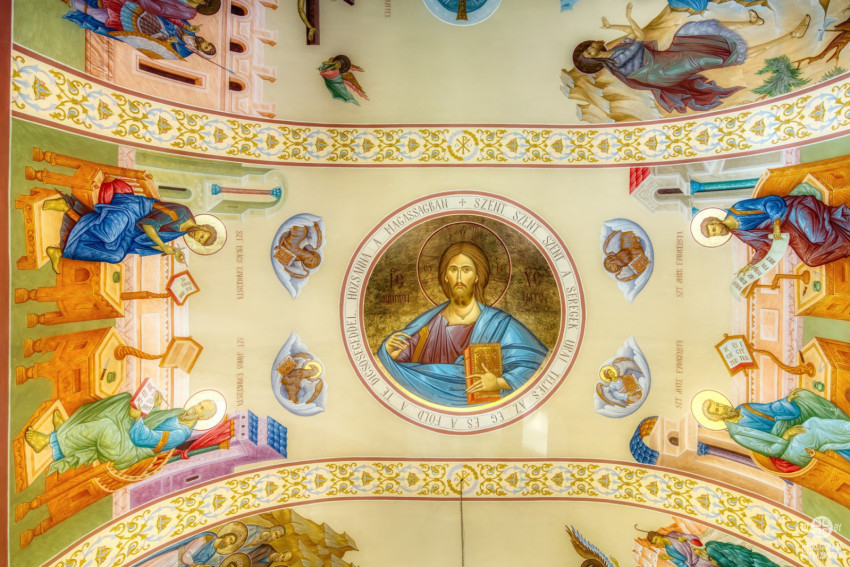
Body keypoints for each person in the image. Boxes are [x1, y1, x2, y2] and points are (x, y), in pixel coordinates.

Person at [378, 241, 548, 407]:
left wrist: (499, 382)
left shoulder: (499, 324)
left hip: (483, 409)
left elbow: (535, 363)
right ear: (445, 276)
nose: (459, 277)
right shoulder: (426, 326)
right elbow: (398, 369)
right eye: (453, 269)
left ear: (477, 276)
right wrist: (389, 354)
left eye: (466, 270)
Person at [571, 2, 810, 113]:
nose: (591, 50)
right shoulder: (614, 62)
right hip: (662, 71)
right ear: (592, 61)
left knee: (694, 31)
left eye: (588, 48)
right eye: (588, 54)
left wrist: (614, 24)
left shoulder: (614, 49)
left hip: (662, 61)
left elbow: (634, 34)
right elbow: (639, 38)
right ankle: (791, 36)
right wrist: (629, 19)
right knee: (717, 57)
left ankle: (750, 23)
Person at [42, 179, 217, 273]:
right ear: (203, 226)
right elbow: (149, 226)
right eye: (201, 235)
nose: (196, 237)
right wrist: (164, 246)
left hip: (132, 231)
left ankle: (61, 252)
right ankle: (69, 207)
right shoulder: (181, 213)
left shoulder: (180, 233)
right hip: (131, 211)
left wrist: (170, 250)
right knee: (109, 235)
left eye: (199, 241)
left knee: (116, 255)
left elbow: (146, 241)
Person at [23, 392, 217, 474]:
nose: (195, 408)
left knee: (106, 425)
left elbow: (146, 438)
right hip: (131, 435)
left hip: (129, 449)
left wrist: (136, 419)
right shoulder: (179, 412)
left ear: (203, 417)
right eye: (199, 404)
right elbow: (155, 420)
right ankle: (67, 429)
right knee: (123, 400)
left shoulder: (181, 434)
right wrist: (155, 404)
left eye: (201, 409)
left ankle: (49, 441)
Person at [698, 194, 850, 268]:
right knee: (811, 259)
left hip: (793, 211)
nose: (717, 233)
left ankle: (844, 236)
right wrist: (751, 265)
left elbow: (771, 202)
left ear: (716, 220)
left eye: (714, 229)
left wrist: (776, 223)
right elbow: (762, 246)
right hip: (790, 232)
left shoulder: (738, 209)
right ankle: (846, 247)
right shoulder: (739, 233)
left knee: (818, 237)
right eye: (714, 235)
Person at [63, 0, 217, 59]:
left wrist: (168, 40)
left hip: (139, 29)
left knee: (103, 15)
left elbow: (157, 48)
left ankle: (73, 2)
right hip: (146, 14)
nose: (205, 43)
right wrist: (186, 26)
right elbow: (172, 18)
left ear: (200, 51)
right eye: (208, 44)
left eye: (205, 47)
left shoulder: (184, 52)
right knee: (110, 2)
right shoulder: (191, 32)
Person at [702, 388, 850, 437]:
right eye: (718, 409)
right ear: (717, 418)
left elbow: (769, 408)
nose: (722, 407)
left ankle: (844, 420)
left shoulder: (743, 407)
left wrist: (786, 401)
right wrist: (785, 435)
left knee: (802, 395)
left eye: (719, 404)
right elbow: (765, 443)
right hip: (781, 434)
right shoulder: (737, 432)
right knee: (812, 423)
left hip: (784, 420)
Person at [647, 530, 781, 567]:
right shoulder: (669, 550)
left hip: (700, 554)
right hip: (695, 564)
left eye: (656, 539)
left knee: (716, 554)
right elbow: (682, 563)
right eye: (655, 543)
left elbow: (693, 538)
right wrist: (671, 559)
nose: (657, 542)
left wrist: (685, 538)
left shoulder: (673, 535)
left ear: (659, 535)